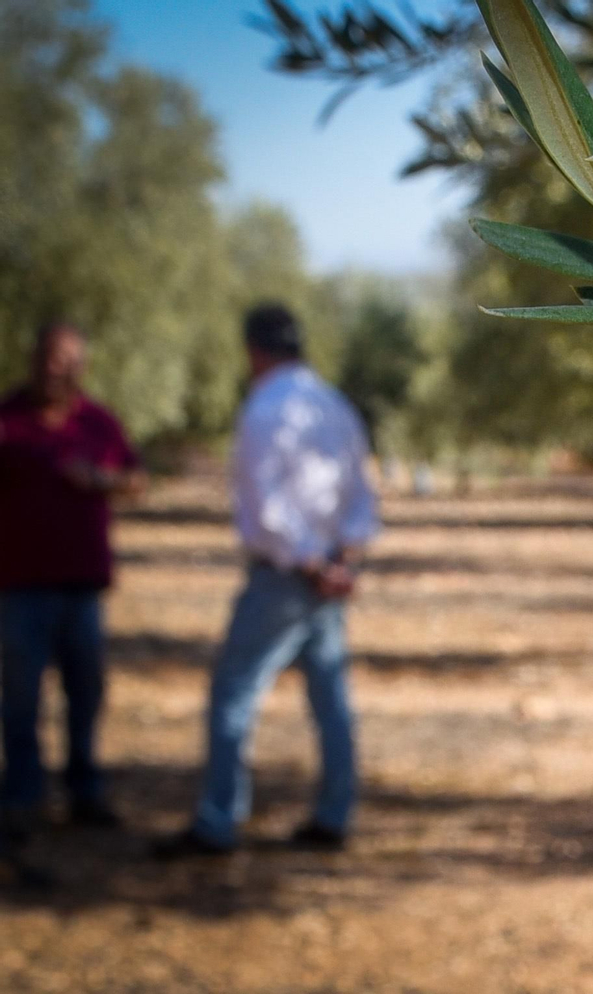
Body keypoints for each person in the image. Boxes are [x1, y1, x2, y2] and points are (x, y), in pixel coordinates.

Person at [156, 303, 378, 857]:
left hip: (286, 578)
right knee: (331, 700)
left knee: (234, 693)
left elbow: (269, 508)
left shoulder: (264, 410)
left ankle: (217, 821)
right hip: (326, 575)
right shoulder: (335, 405)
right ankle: (335, 814)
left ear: (253, 350)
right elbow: (361, 495)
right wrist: (341, 561)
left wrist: (312, 565)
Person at [0, 322, 145, 838]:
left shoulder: (98, 423)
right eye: (46, 356)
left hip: (82, 585)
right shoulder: (7, 419)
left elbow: (136, 479)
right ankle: (22, 794)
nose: (53, 367)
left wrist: (99, 480)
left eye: (64, 359)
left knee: (85, 693)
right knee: (20, 696)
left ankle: (85, 789)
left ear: (79, 365)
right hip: (18, 585)